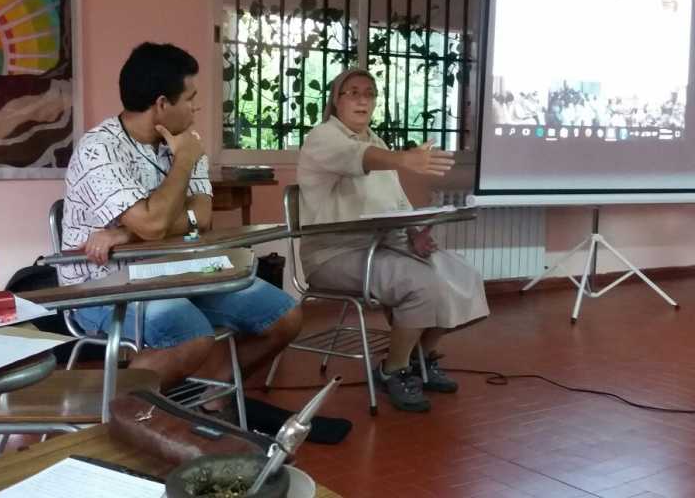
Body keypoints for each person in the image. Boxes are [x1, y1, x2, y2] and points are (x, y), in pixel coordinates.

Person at [59, 42, 302, 413]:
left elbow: (200, 217)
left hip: (178, 269)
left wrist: (127, 232)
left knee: (284, 317)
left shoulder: (186, 141)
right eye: (190, 98)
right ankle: (113, 416)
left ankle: (211, 396)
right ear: (161, 104)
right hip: (104, 284)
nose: (196, 108)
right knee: (190, 336)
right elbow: (156, 224)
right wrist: (183, 165)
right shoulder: (100, 149)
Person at [297, 68, 489, 413]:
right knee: (420, 283)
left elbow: (397, 204)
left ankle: (420, 357)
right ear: (336, 100)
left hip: (383, 247)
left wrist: (415, 233)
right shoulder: (323, 137)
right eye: (353, 92)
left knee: (463, 275)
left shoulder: (377, 142)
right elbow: (359, 157)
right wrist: (404, 159)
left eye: (369, 93)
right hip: (333, 255)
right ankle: (392, 369)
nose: (362, 100)